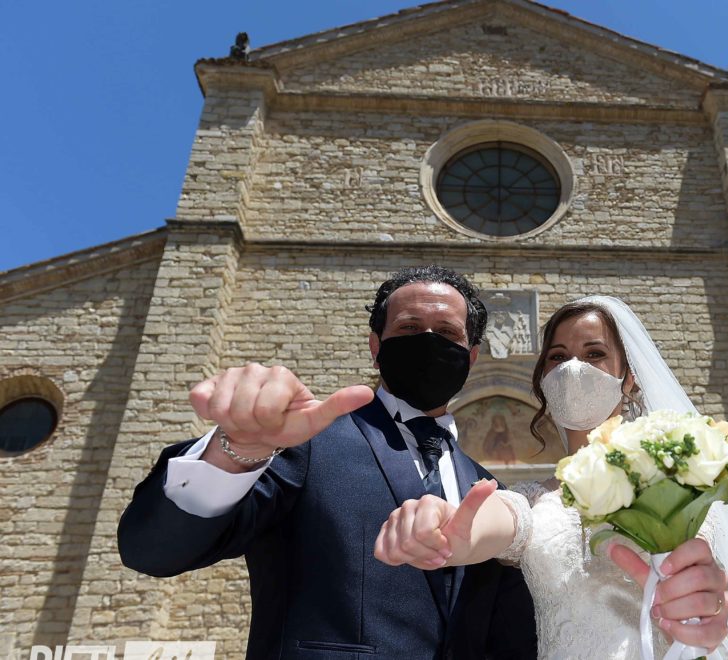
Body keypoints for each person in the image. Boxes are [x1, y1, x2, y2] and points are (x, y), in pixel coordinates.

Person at [377, 296, 728, 659]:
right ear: (543, 381)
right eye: (558, 357)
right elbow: (491, 522)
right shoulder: (532, 501)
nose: (573, 368)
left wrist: (705, 610)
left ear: (630, 376)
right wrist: (445, 528)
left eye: (594, 353)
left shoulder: (682, 479)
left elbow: (717, 590)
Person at [117, 266, 539, 659]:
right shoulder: (307, 442)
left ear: (471, 356)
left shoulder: (490, 492)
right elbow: (155, 550)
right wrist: (238, 451)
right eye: (409, 328)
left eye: (447, 332)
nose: (428, 340)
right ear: (376, 347)